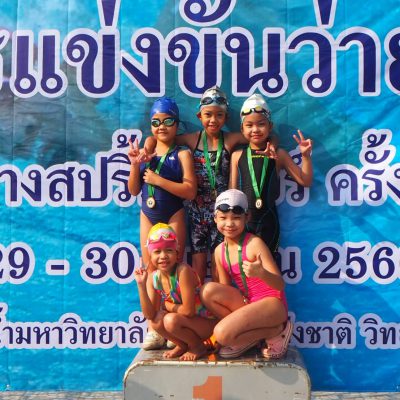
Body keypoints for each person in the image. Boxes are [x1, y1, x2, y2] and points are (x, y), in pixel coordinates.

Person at [144, 86, 274, 283]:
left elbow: (262, 135)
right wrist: (148, 143)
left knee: (219, 264)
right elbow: (161, 137)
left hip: (221, 214)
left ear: (226, 117)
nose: (213, 120)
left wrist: (273, 143)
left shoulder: (230, 139)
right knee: (197, 264)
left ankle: (219, 300)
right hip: (196, 213)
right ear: (199, 116)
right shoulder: (192, 139)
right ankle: (198, 299)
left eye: (219, 115)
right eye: (208, 115)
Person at [128, 97, 197, 349]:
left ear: (177, 124)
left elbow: (190, 191)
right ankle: (154, 328)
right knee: (150, 267)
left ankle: (173, 326)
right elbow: (134, 190)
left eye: (168, 121)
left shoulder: (182, 154)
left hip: (173, 213)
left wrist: (159, 181)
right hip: (148, 214)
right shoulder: (146, 153)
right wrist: (135, 165)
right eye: (156, 122)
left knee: (174, 267)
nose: (162, 127)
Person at [200, 189, 292, 359]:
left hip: (273, 305)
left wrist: (262, 273)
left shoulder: (254, 244)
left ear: (247, 217)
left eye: (236, 218)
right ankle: (246, 335)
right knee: (207, 291)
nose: (229, 223)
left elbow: (280, 285)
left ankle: (277, 330)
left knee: (221, 335)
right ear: (215, 218)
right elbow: (226, 290)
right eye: (223, 218)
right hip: (249, 303)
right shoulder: (219, 252)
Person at [230, 94, 313, 255]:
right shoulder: (237, 156)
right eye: (249, 125)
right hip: (242, 223)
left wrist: (305, 156)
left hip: (269, 222)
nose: (255, 129)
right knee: (242, 267)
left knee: (269, 266)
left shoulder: (279, 154)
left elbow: (305, 180)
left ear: (270, 126)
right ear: (242, 129)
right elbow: (232, 194)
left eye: (261, 124)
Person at [134, 223, 217, 360]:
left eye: (169, 250)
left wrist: (167, 305)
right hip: (185, 323)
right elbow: (150, 315)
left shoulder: (183, 271)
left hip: (206, 323)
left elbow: (189, 311)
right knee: (156, 321)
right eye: (157, 251)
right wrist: (141, 285)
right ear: (150, 255)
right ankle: (183, 345)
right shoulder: (154, 278)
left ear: (177, 252)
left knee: (170, 320)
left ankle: (197, 346)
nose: (163, 256)